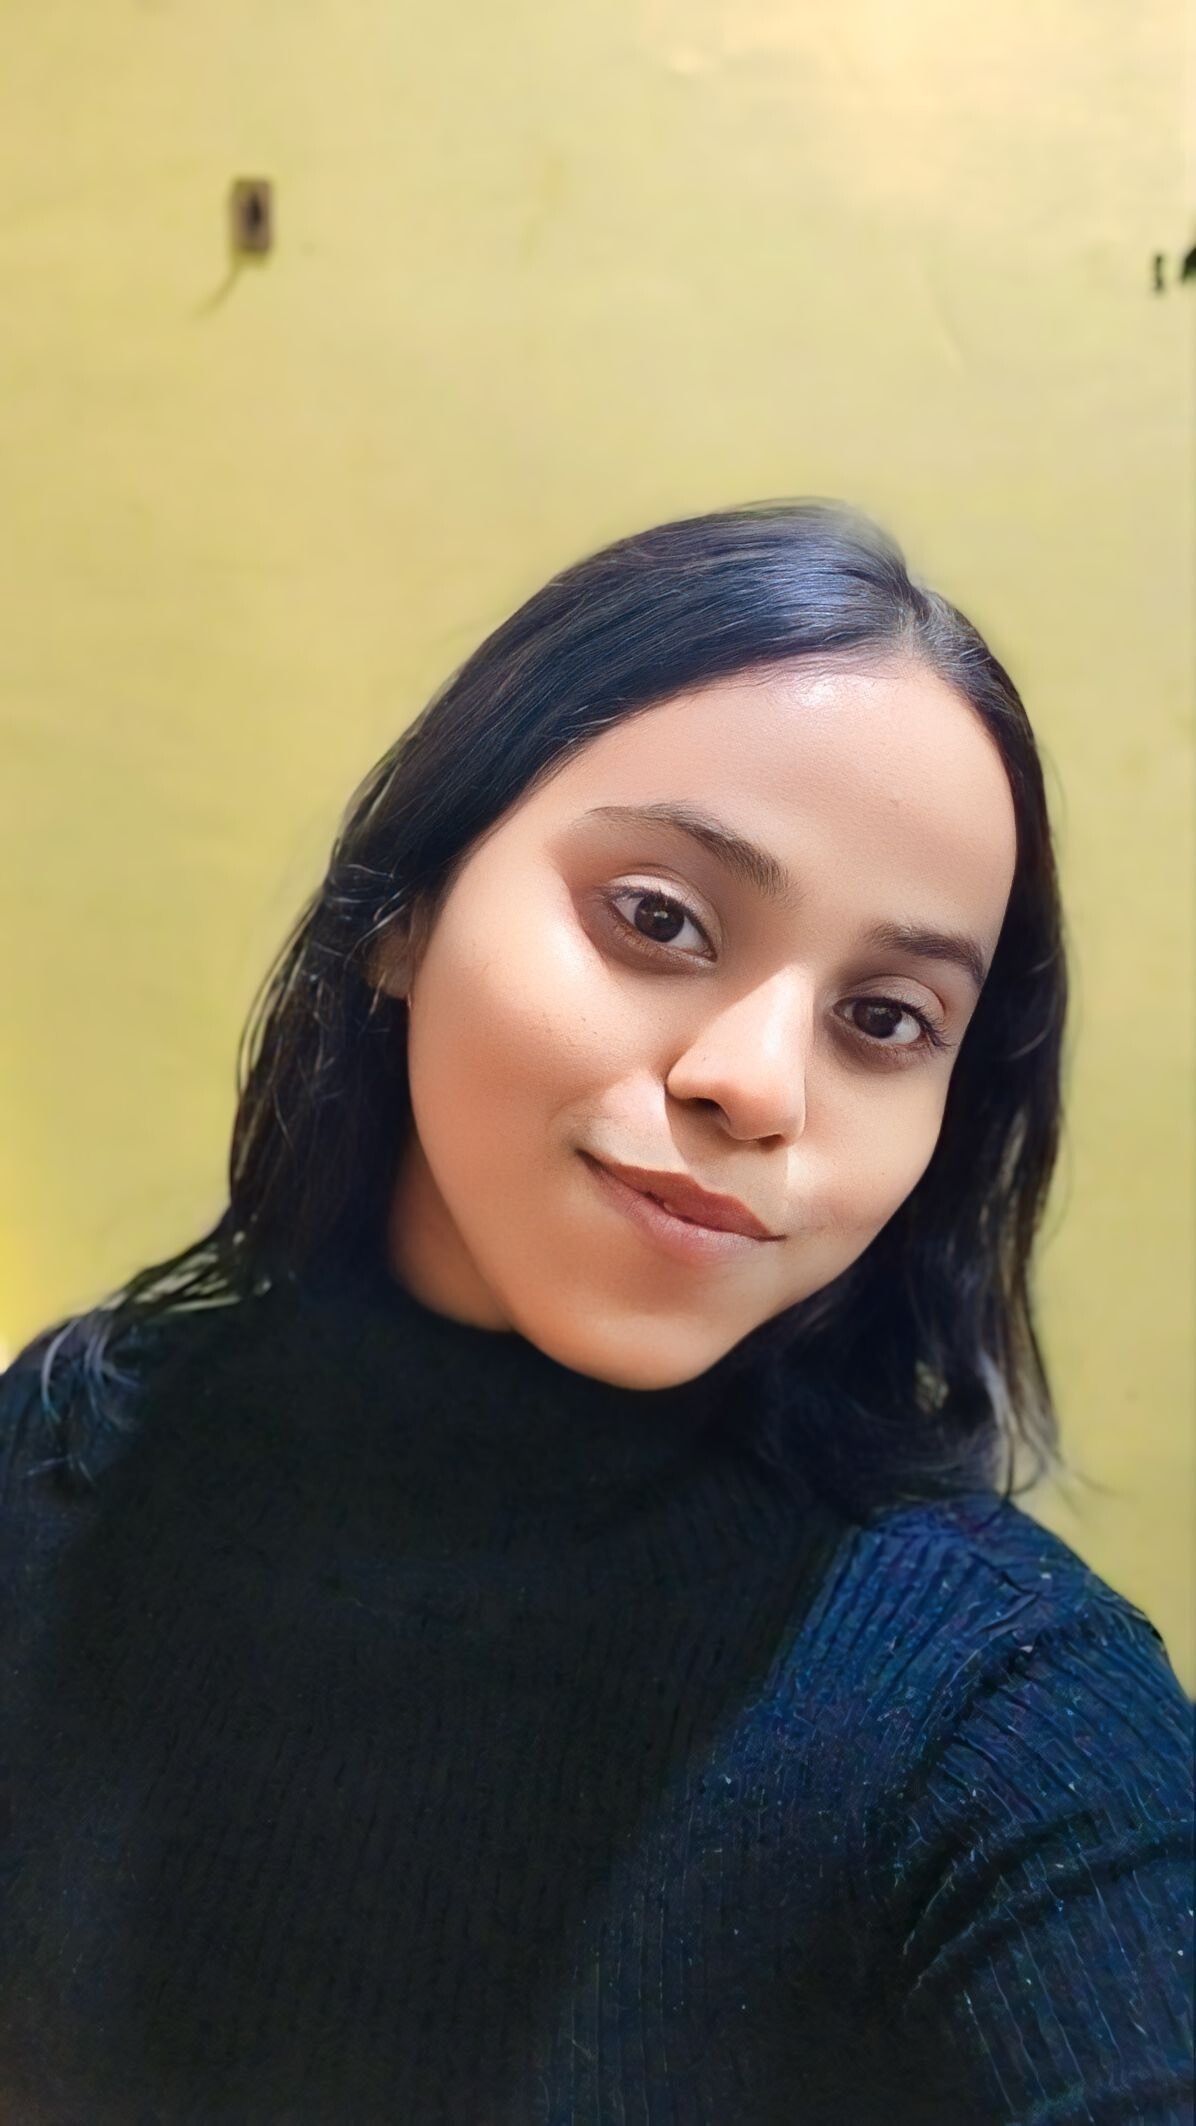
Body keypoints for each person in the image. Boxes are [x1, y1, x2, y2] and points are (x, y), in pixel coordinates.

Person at [1, 499, 1191, 2124]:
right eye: (660, 918)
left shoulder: (1001, 1705)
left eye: (884, 1017)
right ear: (404, 911)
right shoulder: (62, 1465)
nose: (757, 1086)